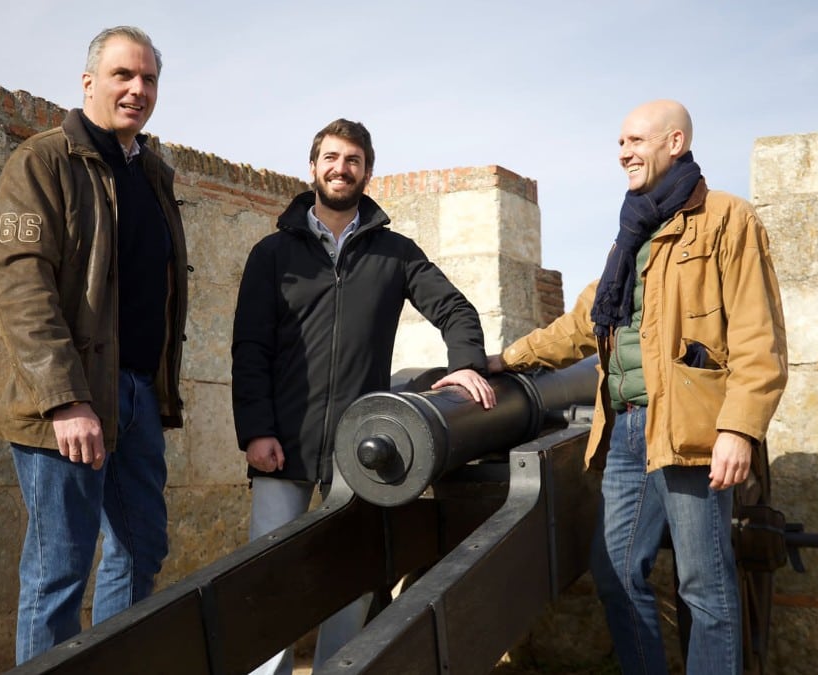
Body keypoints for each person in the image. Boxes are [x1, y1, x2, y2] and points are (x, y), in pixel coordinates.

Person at [488, 99, 787, 674]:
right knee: (615, 572)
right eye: (620, 143)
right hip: (626, 430)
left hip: (690, 428)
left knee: (705, 585)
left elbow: (759, 337)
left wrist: (740, 428)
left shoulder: (728, 219)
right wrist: (507, 360)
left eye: (636, 141)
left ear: (674, 143)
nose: (623, 152)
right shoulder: (632, 232)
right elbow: (581, 325)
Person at [231, 118, 496, 674]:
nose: (340, 168)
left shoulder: (395, 253)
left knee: (349, 592)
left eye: (352, 160)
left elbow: (456, 311)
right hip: (282, 446)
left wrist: (467, 367)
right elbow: (249, 349)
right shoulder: (272, 254)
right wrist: (256, 431)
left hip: (361, 451)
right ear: (313, 167)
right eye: (331, 157)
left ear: (367, 172)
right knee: (270, 588)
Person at [0, 26, 188, 664]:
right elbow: (21, 287)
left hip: (135, 398)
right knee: (58, 575)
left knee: (141, 552)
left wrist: (155, 393)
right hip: (65, 405)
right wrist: (66, 400)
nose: (137, 89)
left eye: (149, 78)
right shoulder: (44, 160)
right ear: (89, 81)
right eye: (124, 75)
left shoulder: (153, 173)